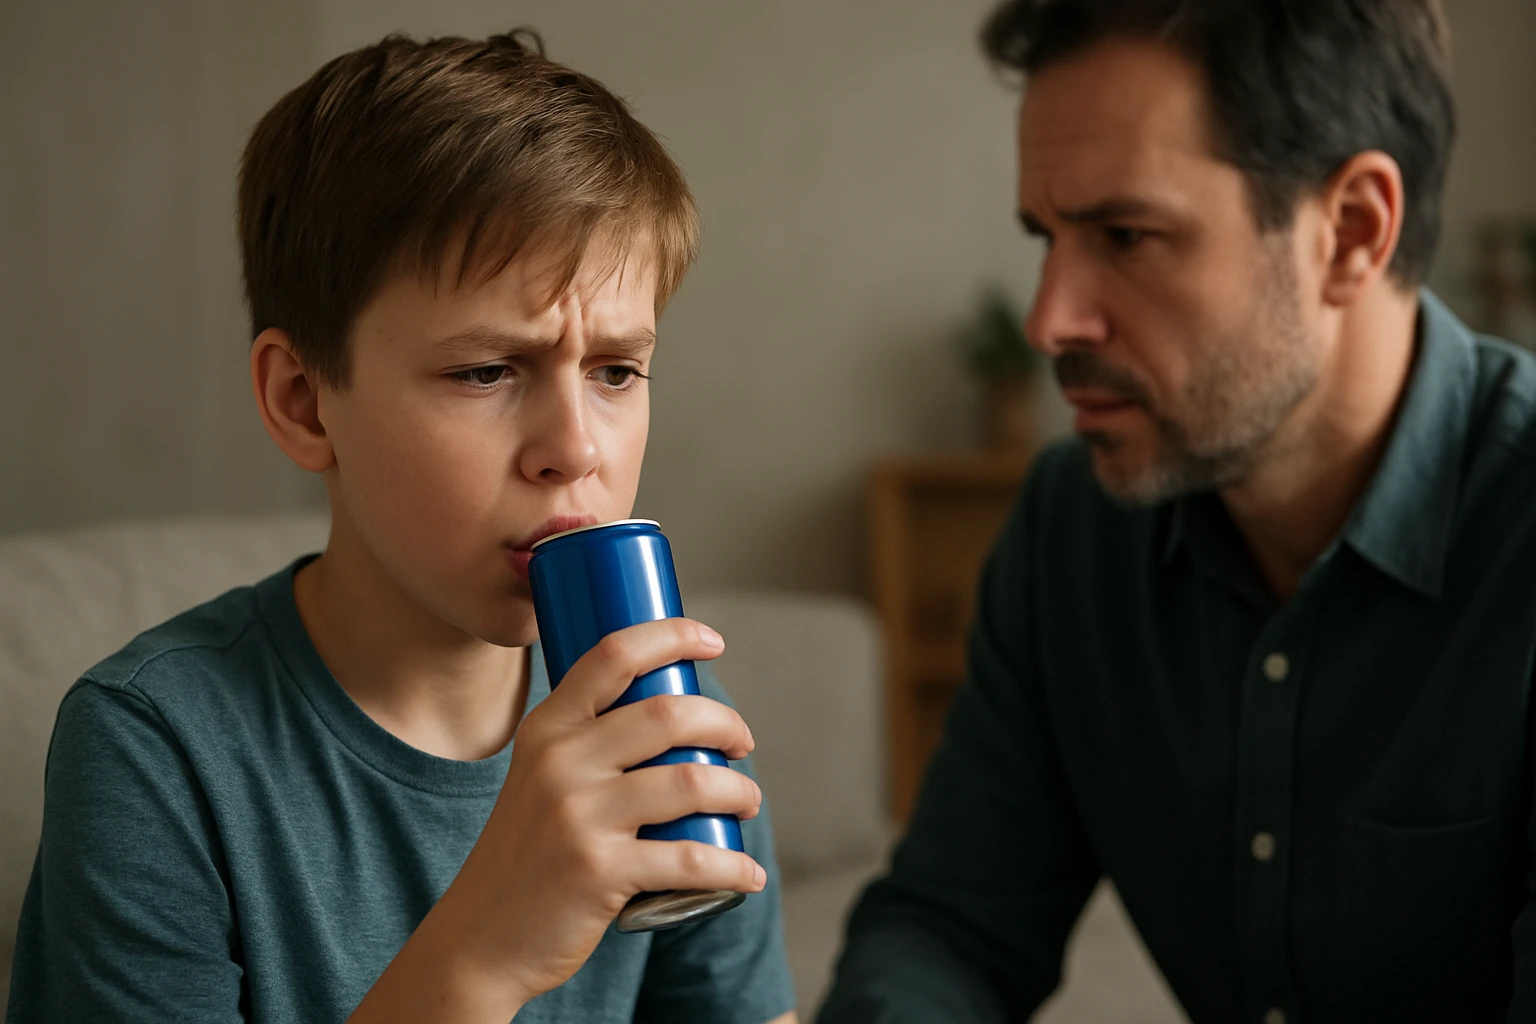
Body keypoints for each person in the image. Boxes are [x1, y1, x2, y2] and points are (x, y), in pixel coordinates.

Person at [6, 29, 796, 1024]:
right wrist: (485, 952)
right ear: (303, 401)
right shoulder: (155, 748)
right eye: (485, 370)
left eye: (616, 371)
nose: (575, 448)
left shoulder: (658, 725)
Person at [819, 1, 1536, 1022]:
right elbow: (951, 928)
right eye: (1048, 237)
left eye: (1127, 235)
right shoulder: (1070, 531)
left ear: (1351, 231)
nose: (1049, 318)